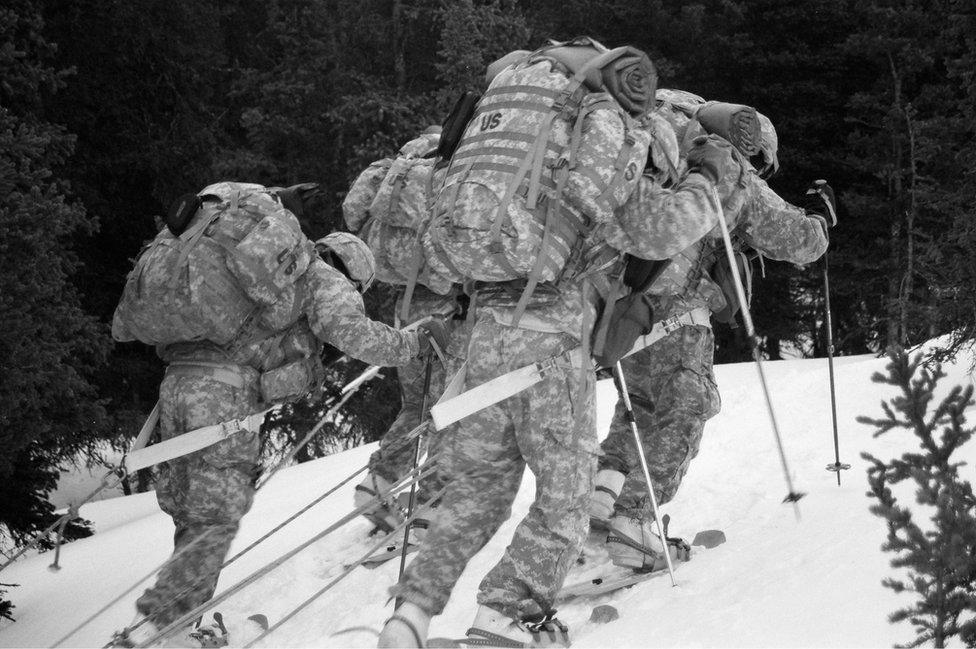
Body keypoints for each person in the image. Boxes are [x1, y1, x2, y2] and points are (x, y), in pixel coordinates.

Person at [377, 86, 750, 646]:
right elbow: (669, 229)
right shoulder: (602, 192)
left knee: (477, 489)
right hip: (551, 349)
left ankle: (410, 615)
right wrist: (705, 179)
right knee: (565, 498)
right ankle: (505, 618)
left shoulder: (529, 190)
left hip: (485, 335)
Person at [111, 182, 446, 646]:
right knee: (216, 518)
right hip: (224, 399)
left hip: (176, 388)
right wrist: (414, 341)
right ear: (352, 274)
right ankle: (155, 629)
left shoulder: (267, 283)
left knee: (196, 513)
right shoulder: (321, 280)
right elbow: (361, 338)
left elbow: (269, 376)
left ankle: (176, 625)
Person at [589, 94, 833, 571]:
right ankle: (633, 524)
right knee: (688, 405)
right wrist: (821, 220)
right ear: (754, 149)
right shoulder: (725, 162)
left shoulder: (655, 143)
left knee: (638, 404)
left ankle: (602, 492)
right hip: (676, 312)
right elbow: (798, 241)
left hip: (617, 304)